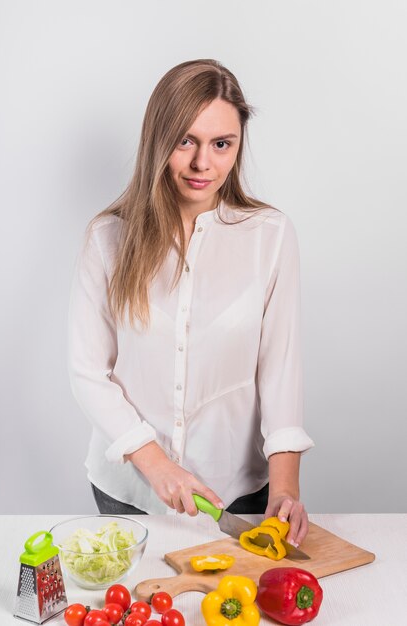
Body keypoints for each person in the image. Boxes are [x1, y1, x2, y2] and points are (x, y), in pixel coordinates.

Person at [68, 59, 314, 548]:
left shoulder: (270, 236)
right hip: (129, 492)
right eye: (186, 141)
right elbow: (88, 372)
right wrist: (156, 464)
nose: (204, 163)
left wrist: (285, 486)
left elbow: (279, 369)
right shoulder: (107, 238)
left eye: (222, 144)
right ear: (158, 140)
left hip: (237, 495)